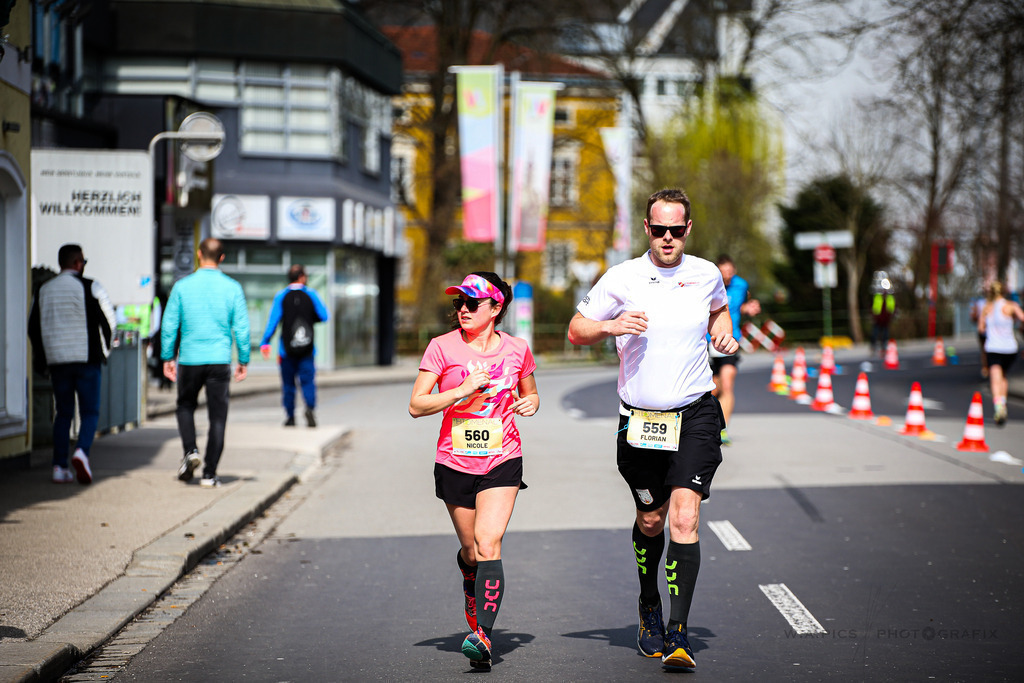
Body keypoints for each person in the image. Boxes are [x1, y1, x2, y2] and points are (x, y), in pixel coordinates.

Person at [567, 188, 736, 671]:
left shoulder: (705, 273)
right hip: (640, 422)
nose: (667, 238)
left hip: (695, 413)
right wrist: (612, 325)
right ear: (646, 228)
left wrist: (723, 330)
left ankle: (678, 633)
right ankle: (649, 604)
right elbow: (576, 328)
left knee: (684, 517)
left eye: (675, 230)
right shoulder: (622, 277)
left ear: (688, 229)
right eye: (658, 229)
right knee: (651, 520)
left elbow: (719, 308)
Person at [408, 272, 539, 670]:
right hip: (455, 461)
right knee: (471, 552)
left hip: (502, 457)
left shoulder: (517, 349)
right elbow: (417, 405)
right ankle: (470, 576)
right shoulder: (441, 347)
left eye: (472, 303)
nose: (462, 309)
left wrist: (531, 403)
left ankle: (482, 636)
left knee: (488, 543)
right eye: (459, 303)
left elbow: (530, 392)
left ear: (496, 307)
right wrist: (461, 391)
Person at [161, 238, 250, 488]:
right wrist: (243, 359)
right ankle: (210, 474)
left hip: (190, 358)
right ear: (221, 258)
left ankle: (191, 451)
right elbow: (242, 328)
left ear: (199, 255)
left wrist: (168, 357)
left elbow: (169, 325)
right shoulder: (233, 288)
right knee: (218, 417)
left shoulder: (182, 286)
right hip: (219, 360)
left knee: (185, 406)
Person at [28, 244, 116, 484]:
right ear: (78, 263)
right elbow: (109, 321)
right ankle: (82, 452)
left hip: (58, 361)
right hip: (87, 359)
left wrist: (43, 359)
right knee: (89, 412)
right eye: (83, 262)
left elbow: (33, 327)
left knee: (63, 413)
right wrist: (104, 352)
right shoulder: (91, 286)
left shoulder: (43, 289)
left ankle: (59, 466)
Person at [259, 264, 329, 427]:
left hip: (286, 351)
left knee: (288, 385)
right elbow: (324, 316)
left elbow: (273, 322)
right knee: (308, 382)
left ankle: (290, 417)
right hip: (307, 350)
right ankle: (310, 408)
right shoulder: (311, 294)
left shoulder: (281, 296)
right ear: (302, 277)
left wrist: (265, 342)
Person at [710, 254, 760, 446]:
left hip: (730, 340)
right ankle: (705, 424)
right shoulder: (708, 283)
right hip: (707, 341)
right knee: (713, 388)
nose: (727, 276)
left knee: (727, 383)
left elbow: (742, 305)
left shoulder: (741, 285)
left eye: (730, 272)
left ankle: (723, 430)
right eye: (723, 272)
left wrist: (749, 308)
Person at [978, 281, 1024, 426]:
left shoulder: (987, 308)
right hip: (1010, 348)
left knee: (995, 378)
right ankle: (1002, 404)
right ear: (1004, 292)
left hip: (994, 347)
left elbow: (981, 329)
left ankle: (999, 408)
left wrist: (992, 329)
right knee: (1003, 376)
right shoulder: (1011, 306)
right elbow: (1022, 318)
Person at [870, 287, 896, 357]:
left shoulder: (890, 298)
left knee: (885, 335)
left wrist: (891, 317)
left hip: (886, 321)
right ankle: (873, 347)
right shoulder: (877, 297)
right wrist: (874, 317)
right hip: (877, 320)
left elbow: (893, 308)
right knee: (875, 334)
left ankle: (884, 348)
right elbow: (873, 307)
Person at [969, 289, 989, 378]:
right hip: (985, 331)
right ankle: (986, 367)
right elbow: (973, 317)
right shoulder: (979, 303)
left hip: (987, 331)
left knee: (985, 350)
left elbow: (973, 317)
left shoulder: (980, 303)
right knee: (985, 350)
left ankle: (986, 368)